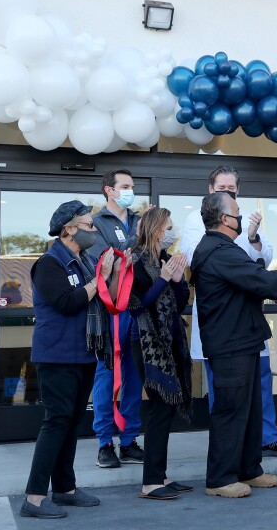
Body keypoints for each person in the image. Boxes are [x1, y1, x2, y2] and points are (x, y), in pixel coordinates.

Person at [191, 193, 277, 498]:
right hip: (229, 345)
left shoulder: (224, 248)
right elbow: (259, 279)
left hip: (245, 340)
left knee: (250, 410)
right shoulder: (218, 251)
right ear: (225, 219)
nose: (241, 217)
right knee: (230, 411)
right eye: (237, 212)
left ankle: (249, 469)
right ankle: (220, 479)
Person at [179, 165, 277, 458]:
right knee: (227, 394)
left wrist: (253, 236)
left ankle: (265, 439)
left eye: (232, 189)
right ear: (210, 190)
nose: (227, 192)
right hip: (225, 325)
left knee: (259, 384)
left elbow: (263, 258)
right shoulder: (198, 221)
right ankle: (229, 450)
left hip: (248, 322)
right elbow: (195, 256)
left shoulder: (245, 218)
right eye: (221, 188)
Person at [21, 201, 110, 518]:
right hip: (56, 356)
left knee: (71, 423)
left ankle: (64, 489)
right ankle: (33, 497)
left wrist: (103, 278)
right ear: (69, 228)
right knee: (56, 422)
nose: (94, 229)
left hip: (82, 355)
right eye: (88, 225)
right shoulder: (49, 263)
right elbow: (66, 302)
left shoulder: (83, 260)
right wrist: (98, 282)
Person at [127, 207, 193, 500]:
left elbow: (179, 304)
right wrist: (163, 280)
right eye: (167, 228)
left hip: (170, 340)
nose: (171, 233)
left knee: (166, 408)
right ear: (154, 230)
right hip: (146, 341)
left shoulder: (162, 259)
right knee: (159, 407)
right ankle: (150, 482)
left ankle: (161, 476)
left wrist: (178, 281)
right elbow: (136, 305)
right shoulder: (135, 260)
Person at [87, 169, 144, 469]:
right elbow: (102, 265)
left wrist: (133, 254)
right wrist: (128, 255)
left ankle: (130, 439)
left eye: (132, 186)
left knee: (134, 375)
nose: (130, 191)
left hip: (138, 310)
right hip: (111, 311)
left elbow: (149, 255)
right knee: (107, 376)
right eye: (125, 186)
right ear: (109, 190)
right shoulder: (96, 223)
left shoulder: (139, 220)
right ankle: (104, 442)